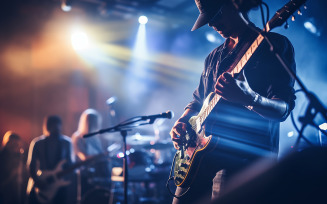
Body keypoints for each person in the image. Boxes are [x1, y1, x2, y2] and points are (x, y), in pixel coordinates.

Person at [169, 0, 296, 203]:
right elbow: (198, 100)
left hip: (246, 161)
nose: (212, 24)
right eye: (208, 19)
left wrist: (249, 98)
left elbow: (283, 110)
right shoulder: (213, 57)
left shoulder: (273, 45)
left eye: (216, 15)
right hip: (200, 152)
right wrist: (183, 120)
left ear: (235, 4)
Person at [26, 115, 76, 204]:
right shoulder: (37, 143)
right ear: (47, 127)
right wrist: (38, 182)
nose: (55, 129)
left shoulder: (67, 143)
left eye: (57, 126)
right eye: (52, 126)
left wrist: (64, 176)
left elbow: (70, 164)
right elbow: (31, 165)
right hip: (41, 184)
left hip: (59, 186)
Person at [71, 109, 111, 201]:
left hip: (98, 174)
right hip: (84, 175)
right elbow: (84, 158)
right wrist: (102, 155)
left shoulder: (95, 138)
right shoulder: (78, 137)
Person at [0, 131, 27, 204]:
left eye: (16, 144)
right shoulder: (2, 157)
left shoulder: (21, 156)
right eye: (12, 144)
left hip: (20, 193)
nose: (14, 147)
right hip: (5, 195)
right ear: (6, 144)